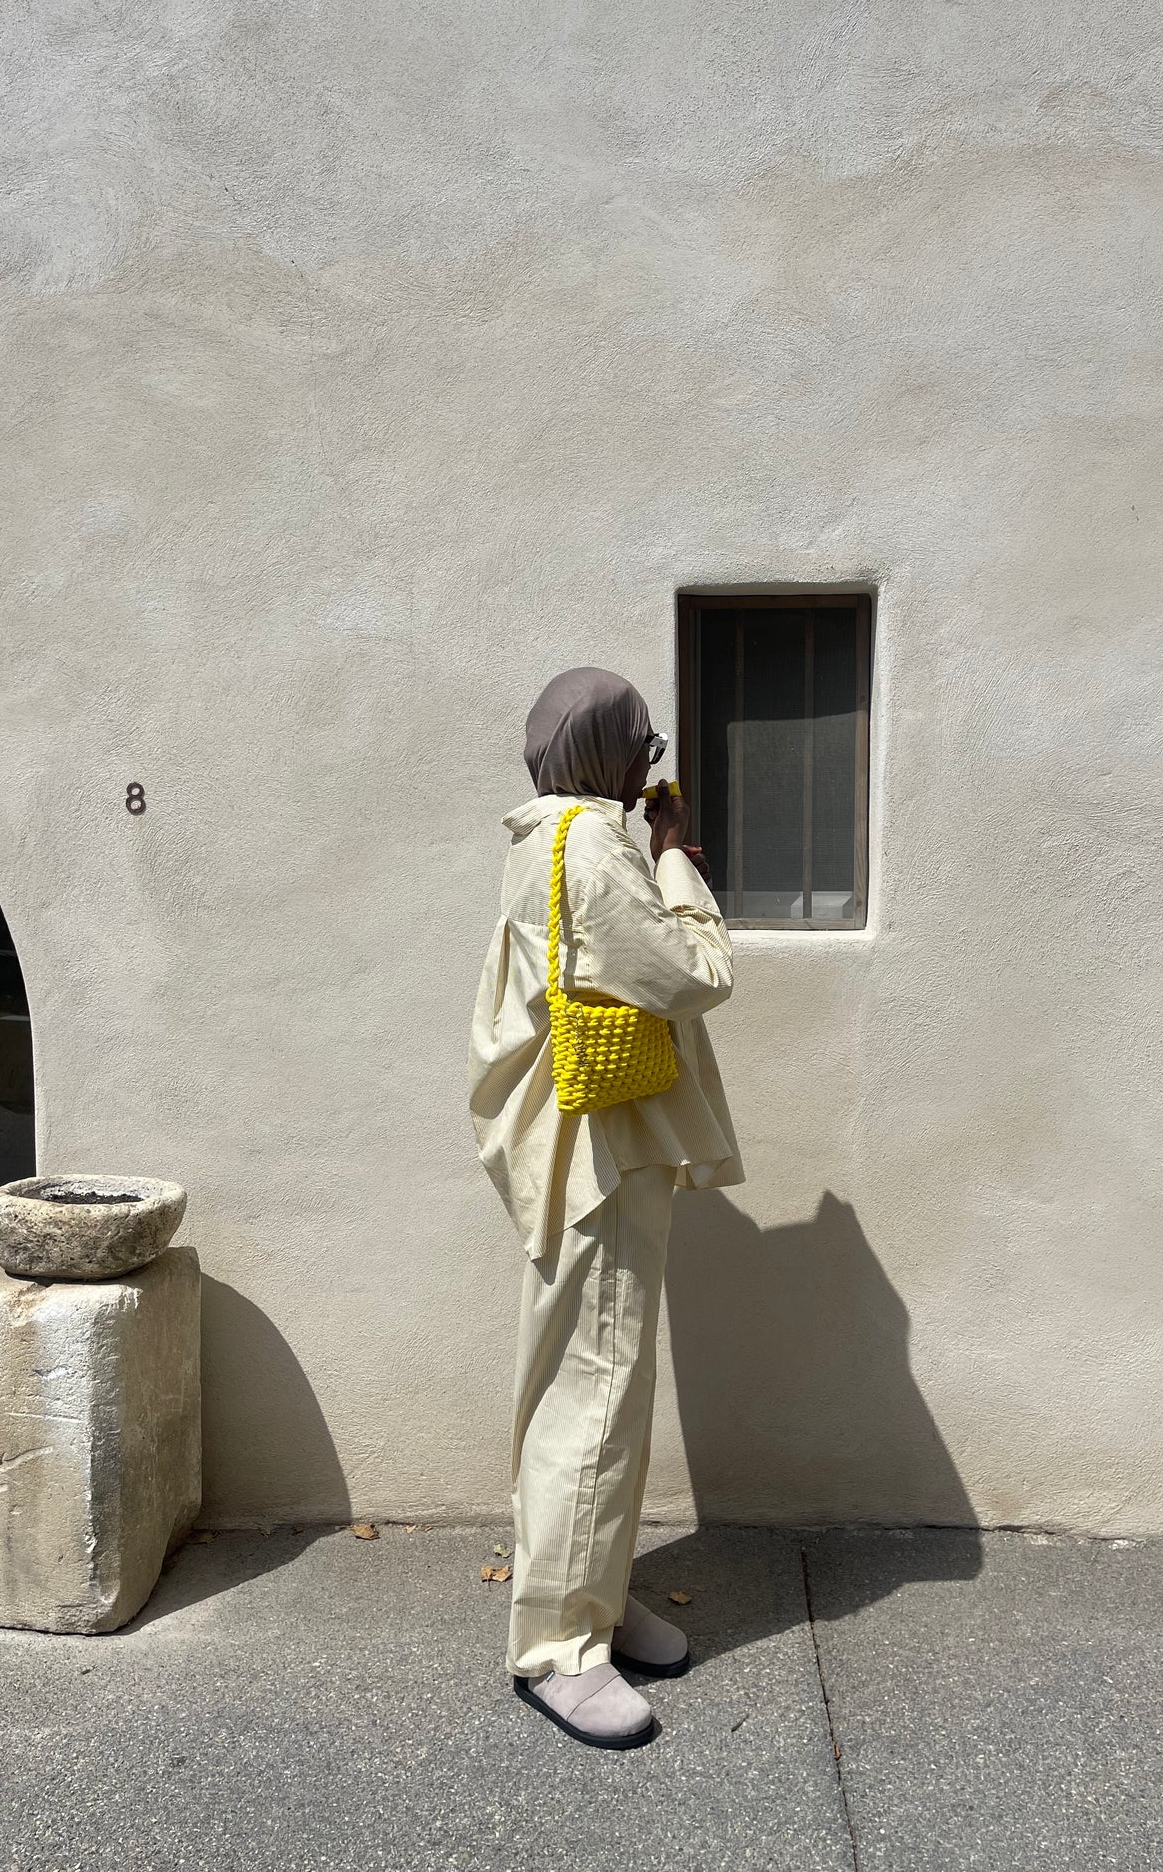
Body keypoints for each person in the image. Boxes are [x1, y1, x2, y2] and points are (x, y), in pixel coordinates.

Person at [468, 665, 743, 1749]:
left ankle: (587, 1593)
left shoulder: (537, 838)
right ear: (604, 750)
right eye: (641, 745)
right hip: (605, 1153)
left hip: (577, 1146)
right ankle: (558, 1649)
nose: (649, 764)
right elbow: (690, 973)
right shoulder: (588, 843)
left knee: (586, 1388)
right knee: (593, 1390)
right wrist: (676, 860)